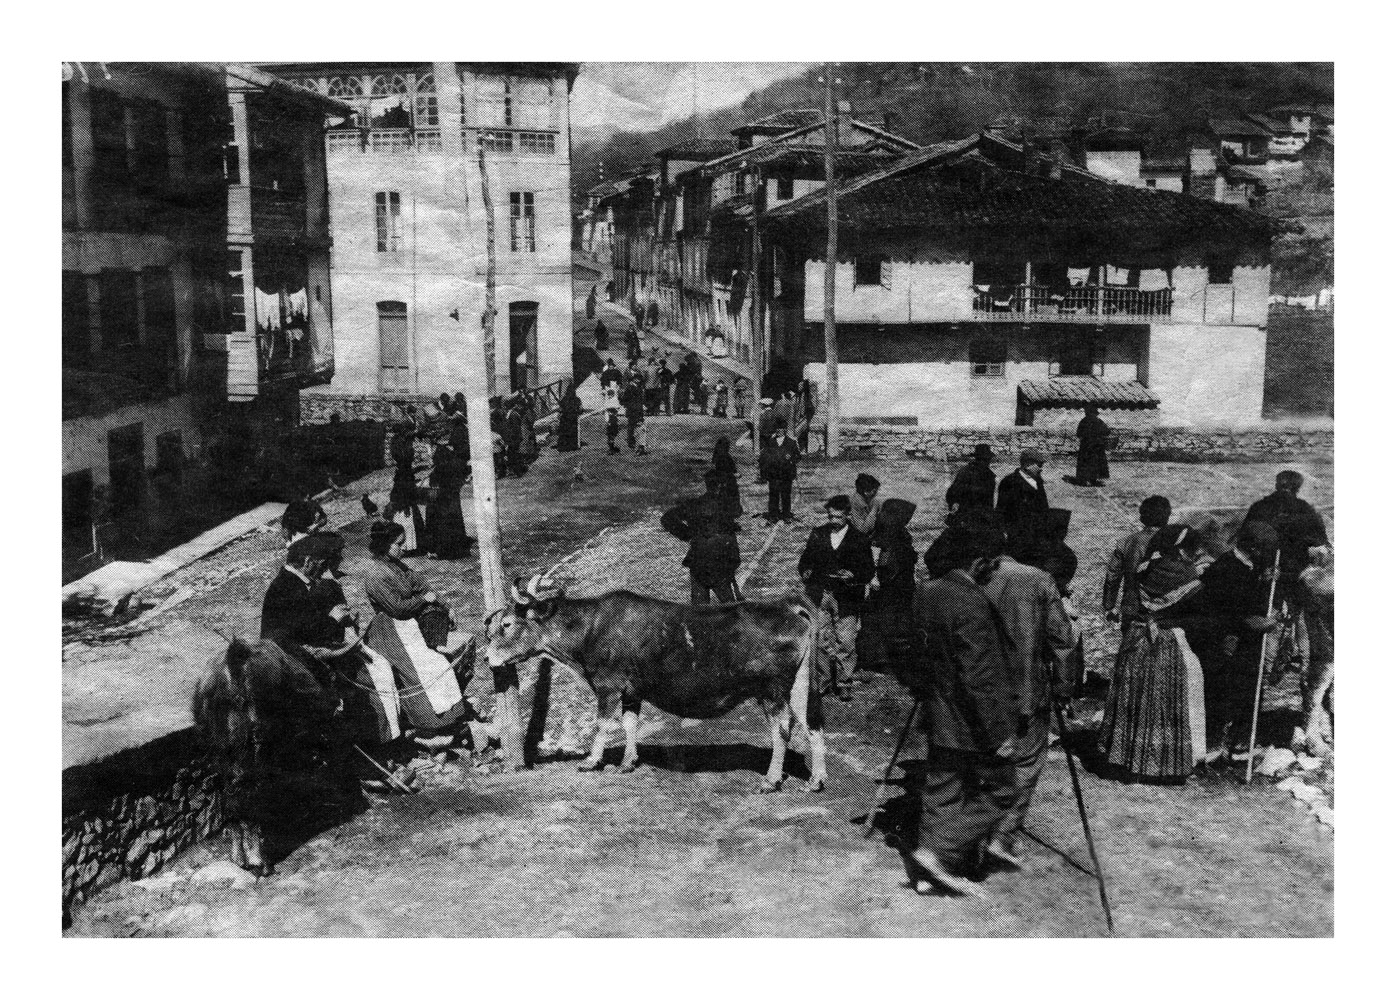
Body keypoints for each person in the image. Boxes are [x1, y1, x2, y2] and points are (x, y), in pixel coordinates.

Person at [896, 524, 1018, 897]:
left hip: (937, 712)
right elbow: (978, 678)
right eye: (993, 563)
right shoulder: (971, 603)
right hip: (970, 721)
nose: (995, 570)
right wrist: (999, 734)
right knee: (1002, 789)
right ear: (978, 562)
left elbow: (908, 649)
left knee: (941, 789)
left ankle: (925, 873)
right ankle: (940, 854)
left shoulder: (927, 592)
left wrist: (922, 688)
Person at [982, 543, 1075, 861]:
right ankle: (1002, 835)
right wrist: (1064, 688)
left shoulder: (975, 575)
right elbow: (1061, 641)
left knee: (983, 756)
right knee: (1026, 760)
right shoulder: (1039, 581)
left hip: (977, 687)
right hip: (1025, 689)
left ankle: (972, 831)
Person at [1097, 524, 1210, 781]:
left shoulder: (1146, 567)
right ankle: (1163, 764)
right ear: (1182, 551)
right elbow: (1197, 614)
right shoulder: (1190, 577)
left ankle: (1125, 757)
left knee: (1134, 696)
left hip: (1137, 638)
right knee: (1172, 696)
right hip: (1169, 640)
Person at [361, 520, 476, 739]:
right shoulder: (375, 574)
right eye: (399, 544)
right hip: (389, 629)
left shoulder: (398, 566)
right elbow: (397, 607)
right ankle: (429, 725)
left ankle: (449, 718)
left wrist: (445, 605)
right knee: (421, 671)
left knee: (438, 662)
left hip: (409, 625)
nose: (404, 547)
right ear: (384, 545)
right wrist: (424, 600)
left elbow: (423, 587)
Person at [1196, 521, 1282, 752]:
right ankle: (1213, 746)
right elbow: (1226, 611)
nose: (1271, 555)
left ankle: (1238, 743)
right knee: (1223, 693)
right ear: (1254, 548)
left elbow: (1248, 597)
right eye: (1267, 550)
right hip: (1227, 644)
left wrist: (1264, 583)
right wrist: (1261, 623)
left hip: (1244, 645)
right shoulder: (1226, 569)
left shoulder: (1247, 566)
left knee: (1247, 690)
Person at [798, 495, 876, 700]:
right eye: (830, 516)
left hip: (847, 596)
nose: (833, 521)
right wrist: (805, 570)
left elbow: (868, 570)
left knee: (846, 641)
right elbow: (805, 560)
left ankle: (844, 683)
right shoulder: (818, 534)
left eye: (838, 517)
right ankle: (823, 682)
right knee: (820, 639)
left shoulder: (859, 539)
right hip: (821, 594)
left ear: (848, 515)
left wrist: (854, 575)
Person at [856, 499, 919, 675]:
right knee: (888, 621)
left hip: (898, 583)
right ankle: (883, 660)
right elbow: (883, 562)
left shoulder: (895, 533)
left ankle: (885, 657)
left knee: (890, 621)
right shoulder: (887, 537)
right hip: (891, 585)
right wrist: (876, 577)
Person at [661, 470, 743, 604]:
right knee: (730, 609)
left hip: (698, 560)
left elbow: (667, 518)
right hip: (720, 561)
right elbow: (738, 511)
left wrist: (687, 534)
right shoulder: (727, 506)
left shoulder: (694, 504)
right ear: (722, 486)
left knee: (699, 611)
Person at [1104, 496, 1172, 629]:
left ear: (1142, 517)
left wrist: (1109, 606)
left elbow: (1112, 576)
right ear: (1167, 517)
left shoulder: (1126, 542)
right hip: (1165, 610)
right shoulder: (1175, 544)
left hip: (1132, 608)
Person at [996, 449, 1051, 561]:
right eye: (1039, 465)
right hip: (1018, 537)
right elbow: (1001, 510)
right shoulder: (1010, 482)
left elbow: (1043, 506)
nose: (1041, 468)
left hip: (1036, 535)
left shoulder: (1037, 481)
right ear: (1027, 464)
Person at [424, 435, 473, 560]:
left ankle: (445, 550)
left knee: (442, 521)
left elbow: (440, 476)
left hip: (443, 495)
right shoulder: (443, 453)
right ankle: (453, 548)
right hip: (448, 494)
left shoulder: (441, 456)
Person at [388, 421, 424, 553]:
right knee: (407, 511)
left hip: (403, 476)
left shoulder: (397, 441)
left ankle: (407, 544)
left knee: (405, 510)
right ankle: (408, 545)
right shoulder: (402, 444)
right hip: (405, 481)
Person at [759, 419, 801, 523]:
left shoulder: (791, 443)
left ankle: (786, 515)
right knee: (773, 495)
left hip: (786, 474)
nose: (779, 431)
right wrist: (765, 470)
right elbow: (763, 456)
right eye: (777, 429)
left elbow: (798, 457)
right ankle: (774, 515)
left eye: (781, 429)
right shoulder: (770, 442)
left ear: (785, 430)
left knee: (786, 495)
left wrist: (791, 457)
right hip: (774, 474)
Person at [946, 444, 997, 518]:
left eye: (987, 460)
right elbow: (951, 494)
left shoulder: (964, 471)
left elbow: (950, 494)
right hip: (972, 518)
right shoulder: (987, 475)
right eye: (986, 460)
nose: (988, 462)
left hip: (971, 516)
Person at [1074, 404, 1111, 486]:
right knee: (1096, 462)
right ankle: (1093, 479)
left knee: (1086, 462)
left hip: (1086, 446)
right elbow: (1107, 431)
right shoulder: (1099, 421)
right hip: (1097, 445)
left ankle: (1085, 480)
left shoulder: (1083, 421)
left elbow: (1078, 434)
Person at [711, 436, 740, 513]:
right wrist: (736, 475)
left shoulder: (718, 456)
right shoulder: (724, 457)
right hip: (729, 482)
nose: (729, 447)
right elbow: (727, 472)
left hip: (723, 482)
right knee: (730, 500)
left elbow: (721, 472)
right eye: (728, 445)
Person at [622, 376, 647, 454]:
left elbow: (641, 399)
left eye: (639, 379)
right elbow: (624, 400)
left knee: (638, 426)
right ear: (633, 380)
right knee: (632, 426)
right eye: (637, 379)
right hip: (632, 410)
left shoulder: (638, 388)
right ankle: (632, 442)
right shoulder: (629, 388)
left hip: (638, 409)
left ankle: (638, 444)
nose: (638, 380)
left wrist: (642, 405)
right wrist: (629, 406)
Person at [556, 380, 582, 452]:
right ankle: (572, 446)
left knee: (564, 432)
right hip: (573, 418)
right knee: (572, 432)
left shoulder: (564, 399)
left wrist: (559, 414)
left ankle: (563, 447)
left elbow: (560, 409)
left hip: (564, 418)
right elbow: (581, 409)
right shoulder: (577, 399)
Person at [602, 381, 621, 454]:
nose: (609, 396)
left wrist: (610, 409)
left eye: (611, 395)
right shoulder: (607, 401)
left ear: (613, 395)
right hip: (609, 419)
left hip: (613, 419)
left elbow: (616, 408)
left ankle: (612, 447)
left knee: (613, 433)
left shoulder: (615, 400)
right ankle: (611, 447)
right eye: (608, 395)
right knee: (609, 434)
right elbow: (606, 409)